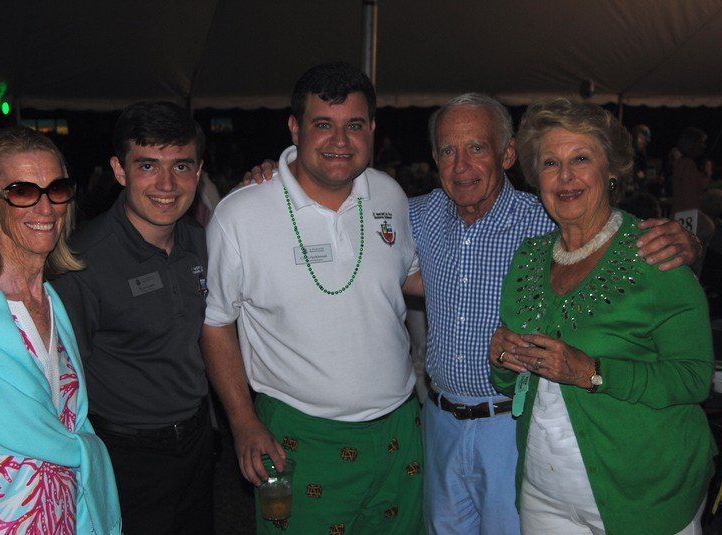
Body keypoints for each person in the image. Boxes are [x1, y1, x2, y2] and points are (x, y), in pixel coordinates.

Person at [245, 93, 700, 534]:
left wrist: (687, 241)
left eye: (476, 148)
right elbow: (338, 209)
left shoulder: (546, 219)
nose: (461, 166)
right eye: (448, 151)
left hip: (512, 422)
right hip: (440, 420)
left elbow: (611, 232)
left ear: (505, 154)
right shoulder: (410, 216)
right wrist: (277, 171)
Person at [203, 62, 424, 534]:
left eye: (354, 126)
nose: (340, 141)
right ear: (295, 128)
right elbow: (217, 324)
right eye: (323, 125)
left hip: (398, 432)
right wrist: (242, 421)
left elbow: (410, 278)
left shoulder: (390, 195)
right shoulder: (240, 214)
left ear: (372, 130)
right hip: (301, 437)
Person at [489, 97, 715, 535]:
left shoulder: (654, 252)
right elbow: (513, 379)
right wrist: (502, 358)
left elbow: (693, 377)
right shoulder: (528, 258)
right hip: (545, 495)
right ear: (537, 179)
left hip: (644, 494)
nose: (566, 176)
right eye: (551, 163)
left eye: (581, 158)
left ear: (610, 171)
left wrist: (593, 372)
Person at [0, 127, 120, 533]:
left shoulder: (51, 299)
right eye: (23, 192)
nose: (46, 208)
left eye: (57, 188)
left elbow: (65, 423)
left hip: (60, 512)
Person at [52, 102, 213, 534]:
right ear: (119, 171)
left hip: (199, 439)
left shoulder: (203, 242)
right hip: (126, 452)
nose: (166, 184)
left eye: (181, 166)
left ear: (198, 173)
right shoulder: (82, 262)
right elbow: (62, 381)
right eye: (147, 165)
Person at [672, 127, 710, 213]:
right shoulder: (687, 164)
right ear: (693, 144)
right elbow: (690, 194)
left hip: (682, 212)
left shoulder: (682, 162)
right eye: (701, 143)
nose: (704, 146)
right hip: (687, 215)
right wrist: (708, 174)